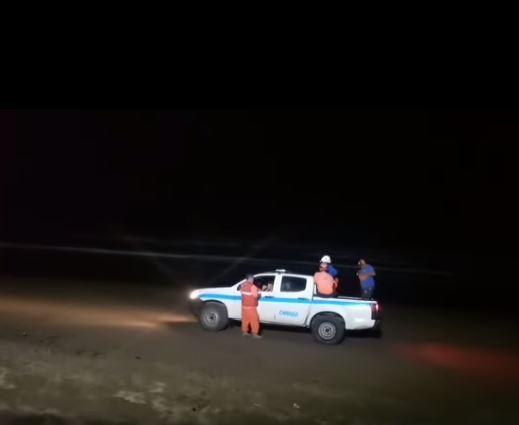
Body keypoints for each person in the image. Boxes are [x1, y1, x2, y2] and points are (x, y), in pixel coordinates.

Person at [241, 274, 262, 339]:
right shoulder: (253, 286)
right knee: (254, 320)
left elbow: (243, 293)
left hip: (244, 306)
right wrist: (259, 293)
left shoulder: (243, 285)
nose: (253, 280)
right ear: (249, 279)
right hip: (251, 307)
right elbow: (256, 296)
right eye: (252, 279)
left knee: (245, 320)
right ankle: (255, 333)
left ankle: (245, 332)